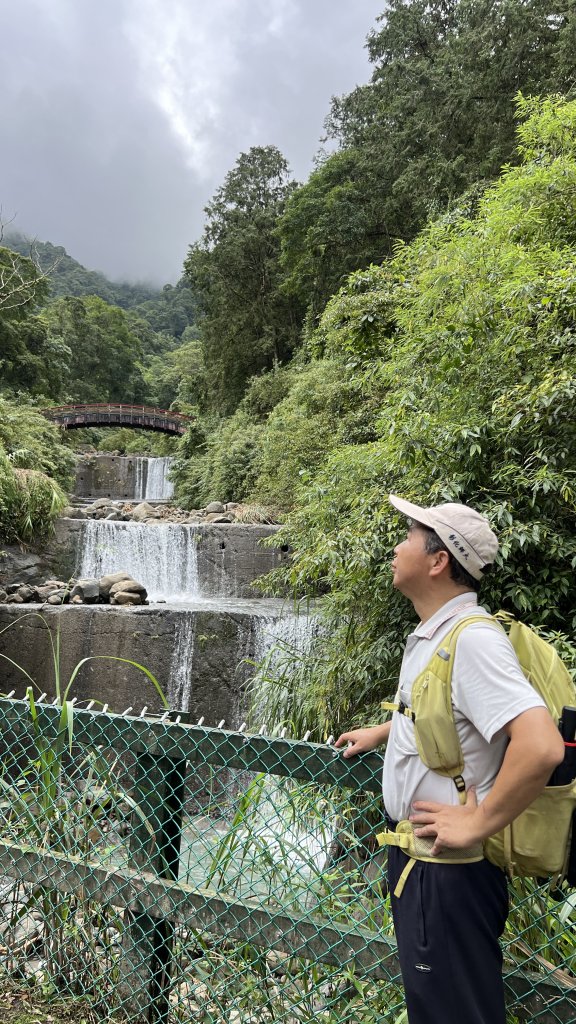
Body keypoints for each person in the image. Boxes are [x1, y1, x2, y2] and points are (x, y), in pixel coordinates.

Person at [335, 494, 564, 1024]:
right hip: (423, 864)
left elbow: (542, 744)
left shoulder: (474, 640)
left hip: (450, 870)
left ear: (438, 562)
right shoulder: (439, 634)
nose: (396, 548)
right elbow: (448, 712)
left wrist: (479, 823)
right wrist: (386, 731)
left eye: (408, 538)